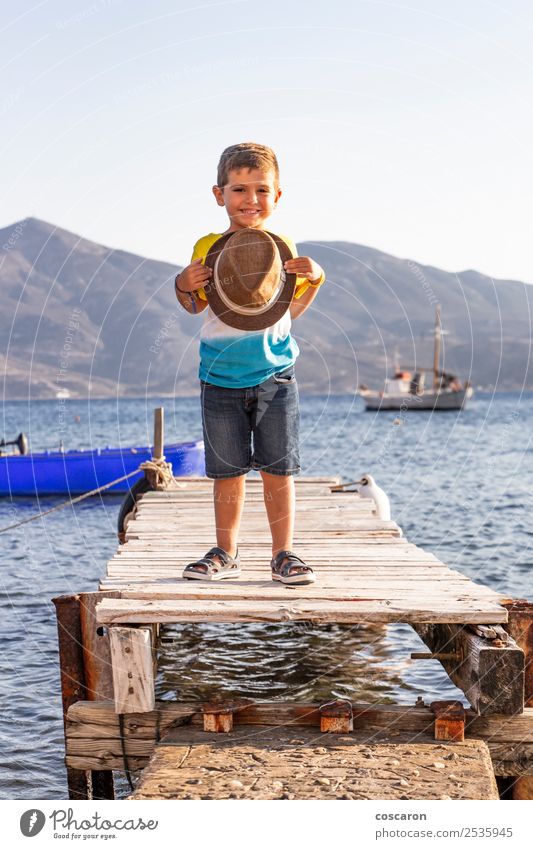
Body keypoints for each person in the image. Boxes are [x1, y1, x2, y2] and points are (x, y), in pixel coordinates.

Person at [174, 142, 325, 585]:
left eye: (262, 189)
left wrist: (315, 278)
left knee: (279, 468)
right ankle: (226, 550)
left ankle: (284, 554)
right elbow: (191, 305)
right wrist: (182, 283)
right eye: (239, 189)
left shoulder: (282, 247)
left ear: (277, 196)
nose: (251, 199)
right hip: (218, 378)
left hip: (276, 374)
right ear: (219, 194)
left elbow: (288, 310)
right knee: (228, 472)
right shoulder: (207, 246)